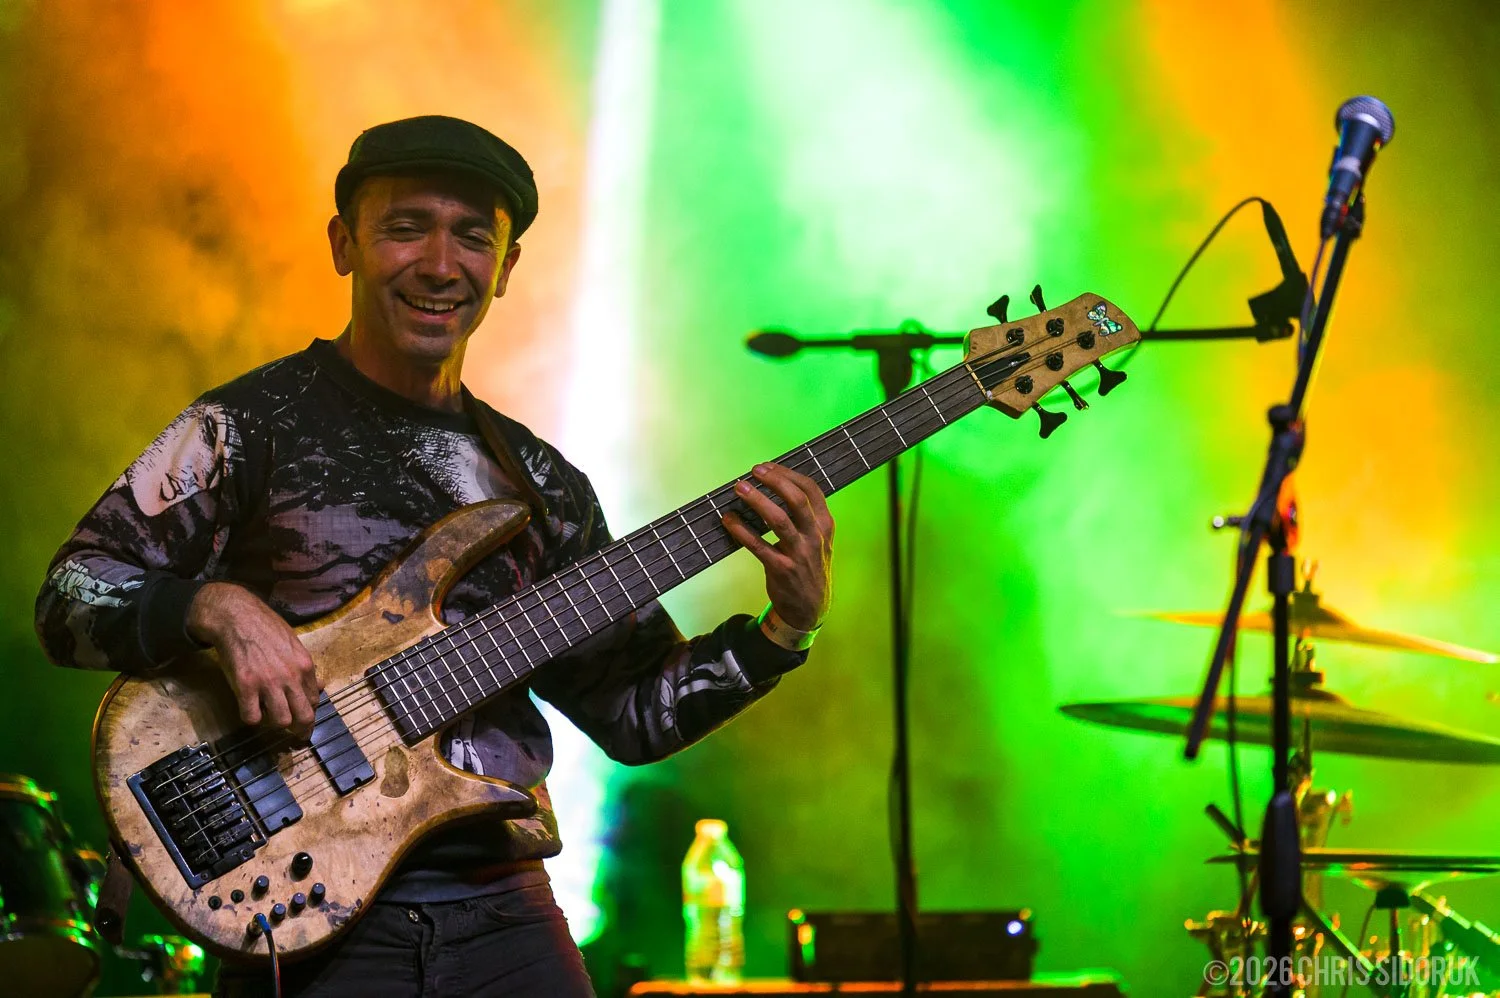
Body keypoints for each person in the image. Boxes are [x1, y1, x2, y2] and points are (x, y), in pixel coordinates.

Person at [34, 115, 835, 997]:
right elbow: (69, 596)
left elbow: (637, 713)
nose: (440, 264)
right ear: (344, 244)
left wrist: (784, 629)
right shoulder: (247, 427)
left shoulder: (540, 483)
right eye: (405, 227)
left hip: (503, 910)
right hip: (303, 910)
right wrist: (214, 608)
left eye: (472, 237)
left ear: (507, 266)